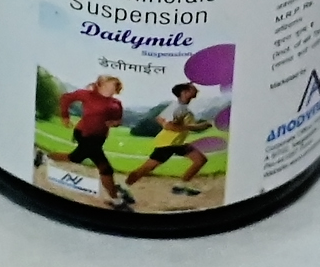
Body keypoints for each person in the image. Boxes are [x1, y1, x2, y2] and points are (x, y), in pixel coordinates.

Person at [124, 81, 214, 195]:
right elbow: (169, 126)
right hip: (167, 144)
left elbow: (159, 118)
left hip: (178, 143)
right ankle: (124, 187)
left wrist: (175, 125)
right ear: (184, 92)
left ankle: (180, 187)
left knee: (200, 160)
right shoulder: (178, 108)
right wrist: (197, 127)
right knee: (146, 169)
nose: (197, 90)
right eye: (193, 89)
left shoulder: (179, 106)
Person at [56, 74, 132, 209]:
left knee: (75, 158)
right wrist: (65, 116)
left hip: (99, 138)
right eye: (108, 85)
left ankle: (45, 157)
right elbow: (66, 98)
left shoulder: (116, 104)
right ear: (100, 85)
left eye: (114, 86)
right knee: (105, 167)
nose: (111, 89)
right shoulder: (87, 95)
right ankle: (116, 200)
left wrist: (114, 123)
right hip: (84, 133)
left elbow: (118, 121)